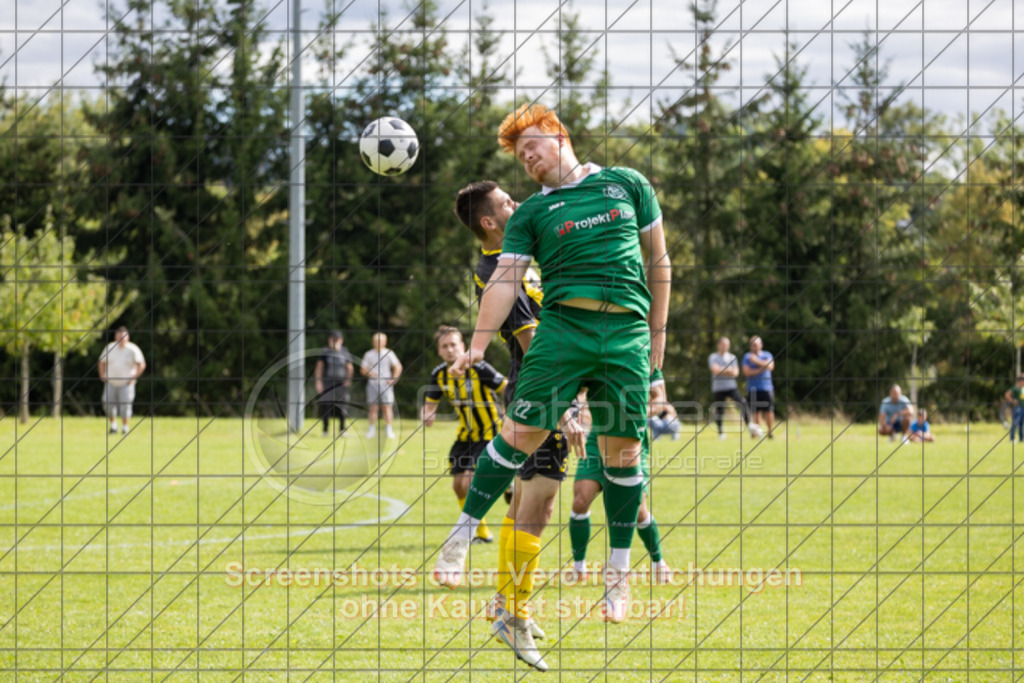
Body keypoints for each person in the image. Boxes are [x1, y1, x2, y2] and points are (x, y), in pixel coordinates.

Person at [434, 102, 670, 649]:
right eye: (519, 156)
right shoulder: (531, 217)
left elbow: (658, 262)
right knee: (521, 451)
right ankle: (465, 544)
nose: (528, 158)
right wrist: (475, 344)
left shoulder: (626, 184)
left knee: (618, 458)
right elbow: (502, 282)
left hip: (628, 336)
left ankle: (613, 576)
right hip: (562, 336)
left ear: (559, 135)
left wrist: (658, 348)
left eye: (532, 145)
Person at [452, 179, 580, 667]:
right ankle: (515, 615)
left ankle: (506, 603)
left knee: (525, 503)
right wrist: (564, 405)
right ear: (489, 222)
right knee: (539, 508)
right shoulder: (498, 270)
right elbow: (531, 340)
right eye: (507, 202)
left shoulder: (515, 257)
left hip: (535, 389)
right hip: (542, 390)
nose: (517, 203)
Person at [570, 370, 671, 585]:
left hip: (631, 438)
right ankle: (579, 567)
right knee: (580, 499)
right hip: (598, 437)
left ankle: (658, 562)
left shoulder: (647, 354)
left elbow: (660, 400)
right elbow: (576, 384)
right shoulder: (598, 346)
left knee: (638, 510)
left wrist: (632, 414)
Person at [421, 325, 506, 545]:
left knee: (469, 481)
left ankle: (509, 483)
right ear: (439, 351)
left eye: (454, 344)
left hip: (490, 431)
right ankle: (483, 533)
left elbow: (507, 387)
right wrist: (427, 414)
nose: (450, 350)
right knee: (458, 486)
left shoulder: (479, 368)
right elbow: (430, 404)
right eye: (445, 346)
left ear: (463, 346)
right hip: (466, 435)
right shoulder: (439, 375)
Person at [98, 326, 146, 435]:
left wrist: (134, 377)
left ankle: (125, 427)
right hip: (111, 382)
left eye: (123, 335)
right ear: (115, 336)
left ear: (127, 337)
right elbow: (101, 362)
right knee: (108, 404)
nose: (121, 337)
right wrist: (102, 375)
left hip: (126, 384)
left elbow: (141, 364)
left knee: (126, 406)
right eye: (118, 335)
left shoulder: (133, 349)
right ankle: (113, 426)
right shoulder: (110, 347)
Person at [360, 332, 402, 439]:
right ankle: (371, 430)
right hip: (372, 385)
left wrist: (393, 379)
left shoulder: (389, 353)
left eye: (380, 341)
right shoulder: (368, 354)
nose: (378, 343)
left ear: (384, 342)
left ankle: (389, 430)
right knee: (372, 408)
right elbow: (363, 369)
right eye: (376, 341)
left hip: (385, 385)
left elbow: (398, 366)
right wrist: (370, 373)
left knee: (387, 407)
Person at [314, 330, 353, 438]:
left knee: (342, 407)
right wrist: (318, 382)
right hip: (327, 383)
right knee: (326, 406)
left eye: (337, 339)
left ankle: (342, 429)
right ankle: (325, 430)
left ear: (341, 340)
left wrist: (348, 380)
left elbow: (349, 367)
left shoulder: (345, 351)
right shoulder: (325, 351)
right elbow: (319, 367)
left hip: (341, 384)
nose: (335, 341)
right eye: (333, 339)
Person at [709, 336, 750, 439]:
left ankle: (749, 426)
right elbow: (715, 370)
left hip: (731, 387)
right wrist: (729, 370)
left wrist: (721, 370)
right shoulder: (713, 357)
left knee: (742, 403)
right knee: (720, 410)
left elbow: (735, 373)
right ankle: (721, 433)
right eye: (723, 344)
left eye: (727, 345)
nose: (725, 347)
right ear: (718, 345)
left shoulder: (732, 357)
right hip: (718, 388)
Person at [742, 336, 774, 439]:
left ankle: (770, 432)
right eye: (752, 345)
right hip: (753, 389)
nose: (754, 347)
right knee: (756, 412)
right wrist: (762, 368)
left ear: (761, 345)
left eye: (756, 344)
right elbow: (746, 372)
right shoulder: (747, 357)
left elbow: (770, 366)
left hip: (767, 388)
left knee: (769, 411)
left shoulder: (767, 354)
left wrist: (756, 361)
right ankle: (757, 434)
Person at [648, 367, 681, 441]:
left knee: (669, 420)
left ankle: (675, 437)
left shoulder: (665, 404)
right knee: (651, 419)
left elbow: (673, 414)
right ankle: (657, 438)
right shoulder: (651, 406)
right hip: (660, 425)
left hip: (669, 424)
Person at [1005, 375, 1024, 443]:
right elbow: (1007, 394)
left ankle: (1021, 439)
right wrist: (1012, 400)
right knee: (1015, 423)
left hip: (1023, 408)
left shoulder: (1022, 389)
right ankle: (1012, 438)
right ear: (1020, 381)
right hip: (1017, 408)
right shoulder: (1015, 388)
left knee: (1022, 424)